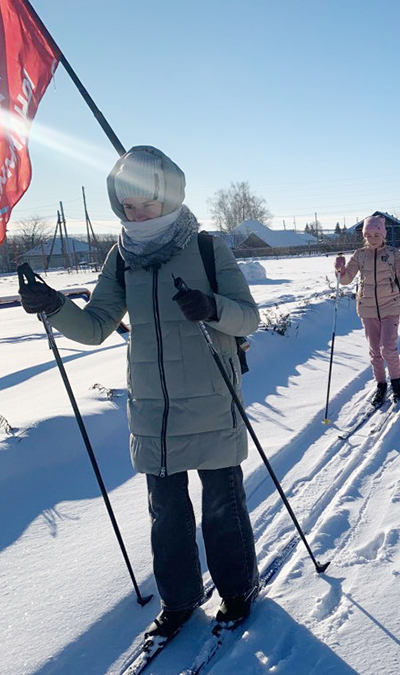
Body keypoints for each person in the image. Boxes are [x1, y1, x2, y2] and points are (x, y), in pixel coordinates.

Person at [17, 146, 261, 640]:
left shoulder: (208, 248)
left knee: (222, 505)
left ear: (168, 194)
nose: (135, 213)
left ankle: (237, 591)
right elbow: (95, 326)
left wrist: (211, 307)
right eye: (126, 206)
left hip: (213, 399)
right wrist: (55, 305)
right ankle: (179, 601)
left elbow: (248, 317)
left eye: (144, 203)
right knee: (166, 513)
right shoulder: (122, 256)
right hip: (152, 410)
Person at [335, 214, 400, 405]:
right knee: (375, 352)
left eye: (376, 234)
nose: (372, 238)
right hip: (368, 308)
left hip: (391, 305)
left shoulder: (393, 253)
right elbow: (346, 280)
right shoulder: (359, 255)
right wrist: (340, 271)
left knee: (387, 347)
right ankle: (381, 385)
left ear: (383, 235)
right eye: (368, 235)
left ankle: (396, 384)